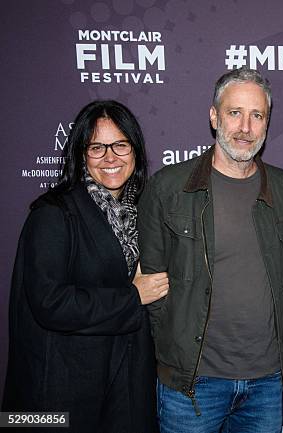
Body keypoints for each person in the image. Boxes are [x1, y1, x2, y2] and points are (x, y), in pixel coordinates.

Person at [137, 67, 283, 433]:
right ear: (214, 116)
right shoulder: (169, 188)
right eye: (234, 113)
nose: (245, 127)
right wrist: (175, 351)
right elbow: (152, 287)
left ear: (267, 123)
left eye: (257, 115)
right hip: (193, 383)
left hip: (265, 380)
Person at [3, 100, 169, 432]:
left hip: (127, 390)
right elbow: (50, 303)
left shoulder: (144, 212)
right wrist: (131, 297)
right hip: (63, 395)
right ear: (81, 155)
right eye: (97, 147)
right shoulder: (53, 214)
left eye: (120, 145)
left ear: (135, 151)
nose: (111, 157)